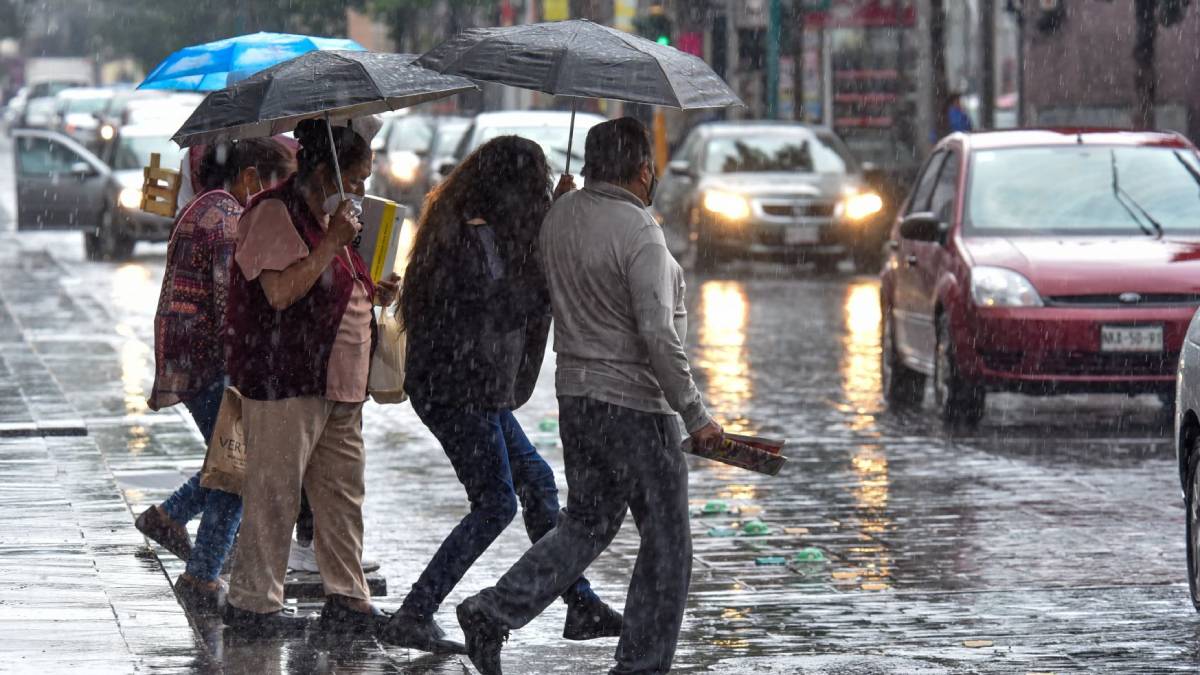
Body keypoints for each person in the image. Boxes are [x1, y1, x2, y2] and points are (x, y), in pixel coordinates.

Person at [455, 118, 724, 675]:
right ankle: (641, 664)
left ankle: (494, 610)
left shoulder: (559, 218)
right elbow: (657, 332)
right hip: (636, 406)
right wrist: (695, 413)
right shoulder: (640, 230)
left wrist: (561, 207)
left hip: (578, 401)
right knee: (668, 543)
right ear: (643, 170)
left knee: (585, 524)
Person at [380, 136, 622, 654]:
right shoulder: (468, 235)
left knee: (536, 482)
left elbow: (511, 285)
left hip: (473, 387)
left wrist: (553, 217)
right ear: (509, 186)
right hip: (455, 389)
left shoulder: (482, 227)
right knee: (495, 503)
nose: (536, 193)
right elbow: (502, 304)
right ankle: (416, 612)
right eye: (533, 184)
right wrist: (546, 261)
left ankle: (578, 603)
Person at [222, 118, 398, 637]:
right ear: (328, 171)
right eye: (358, 178)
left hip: (340, 385)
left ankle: (347, 597)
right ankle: (253, 603)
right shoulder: (275, 213)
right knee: (274, 494)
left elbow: (335, 281)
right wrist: (334, 242)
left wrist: (372, 289)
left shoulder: (331, 218)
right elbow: (280, 292)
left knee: (342, 498)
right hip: (286, 378)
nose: (363, 188)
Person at [139, 138, 295, 612]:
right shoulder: (228, 220)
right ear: (249, 177)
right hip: (210, 362)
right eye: (272, 185)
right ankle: (202, 573)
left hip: (191, 356)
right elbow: (233, 302)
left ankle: (170, 517)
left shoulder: (203, 206)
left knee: (231, 459)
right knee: (239, 466)